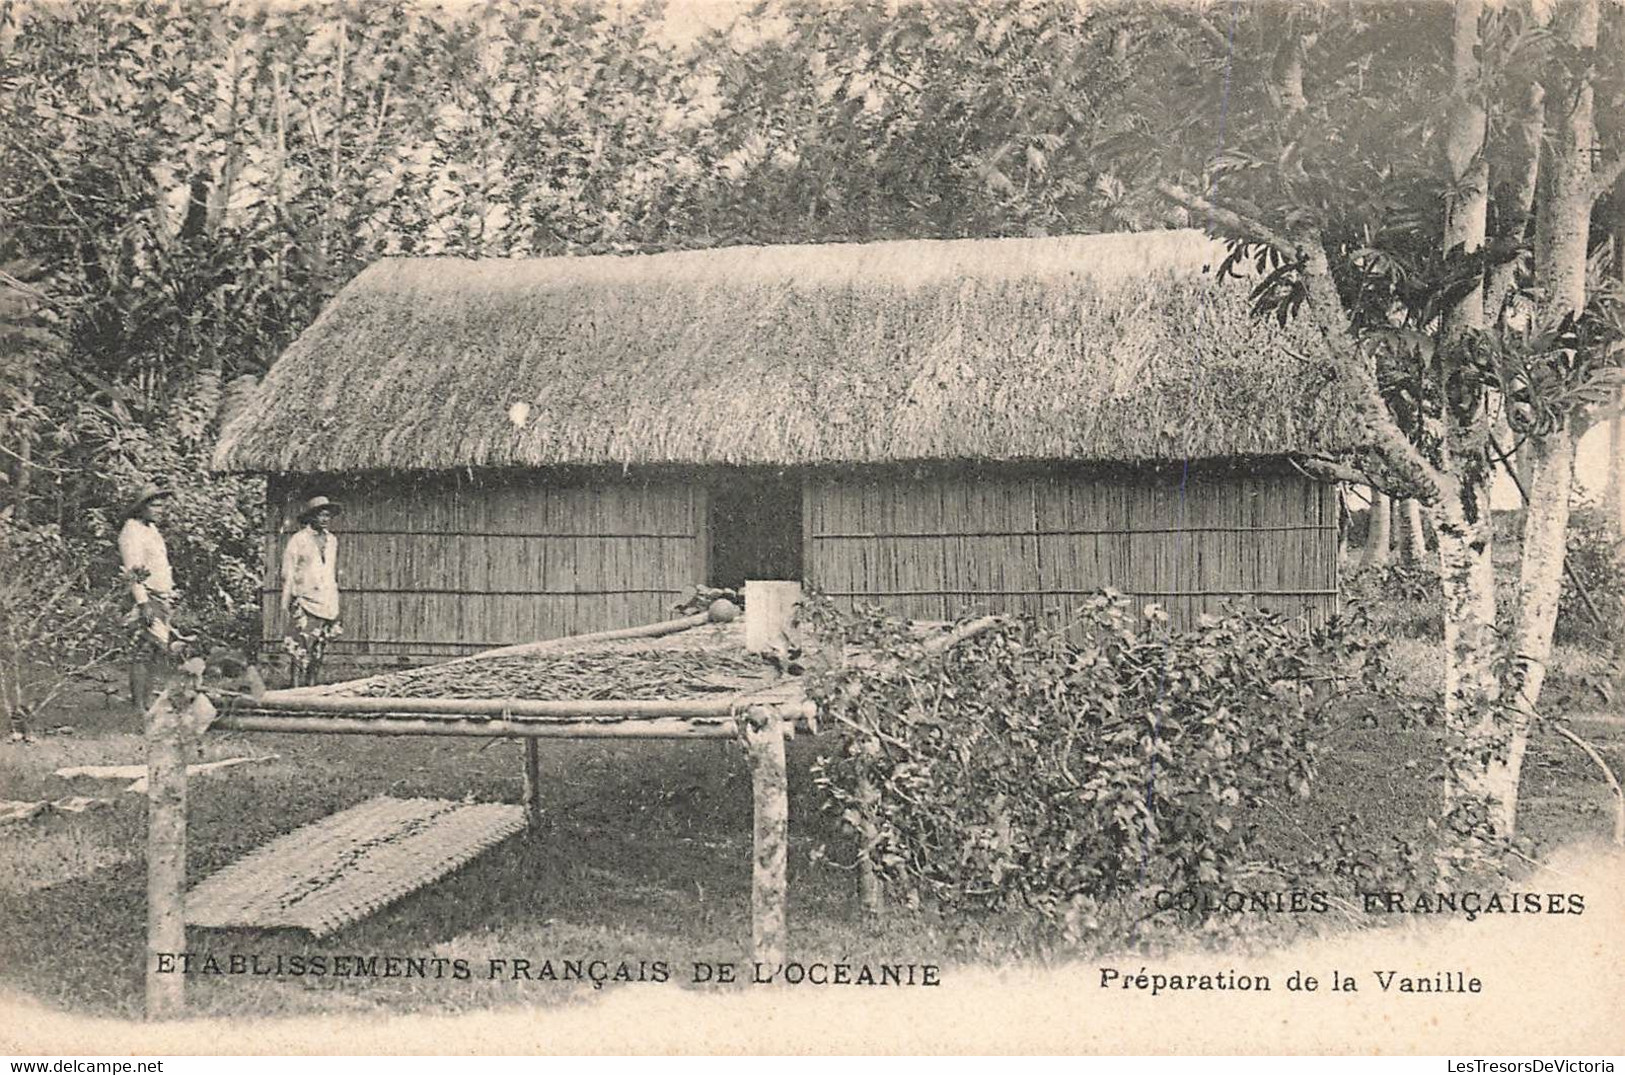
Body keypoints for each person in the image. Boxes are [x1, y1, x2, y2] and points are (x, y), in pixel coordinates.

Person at [118, 483, 178, 713]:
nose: (160, 510)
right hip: (145, 597)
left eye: (163, 506)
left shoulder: (151, 529)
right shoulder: (131, 531)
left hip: (161, 596)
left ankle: (148, 700)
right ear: (142, 507)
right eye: (155, 505)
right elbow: (133, 571)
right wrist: (142, 603)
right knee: (143, 649)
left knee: (156, 650)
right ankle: (139, 705)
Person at [281, 495, 343, 687]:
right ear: (311, 517)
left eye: (327, 516)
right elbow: (288, 571)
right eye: (320, 515)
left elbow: (329, 570)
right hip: (304, 598)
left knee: (319, 646)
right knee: (300, 645)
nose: (324, 519)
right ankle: (295, 688)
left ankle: (312, 686)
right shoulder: (299, 540)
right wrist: (287, 601)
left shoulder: (332, 540)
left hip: (326, 599)